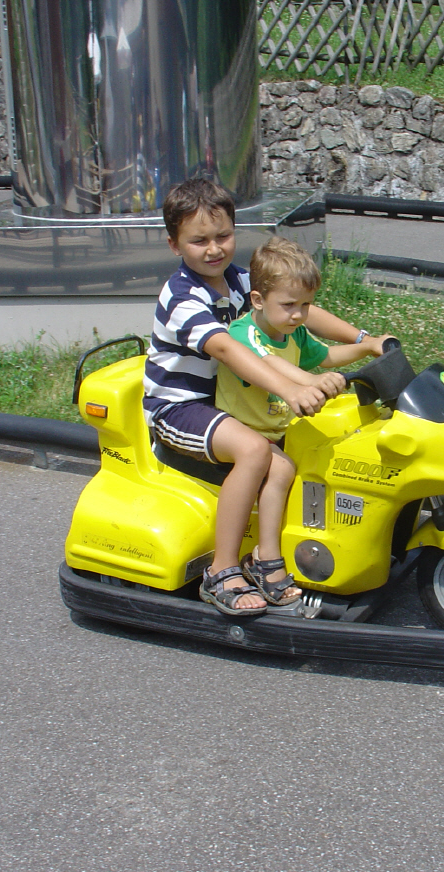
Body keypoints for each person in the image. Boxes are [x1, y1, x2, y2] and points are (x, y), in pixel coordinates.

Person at [143, 178, 388, 616]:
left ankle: (265, 559)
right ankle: (221, 570)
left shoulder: (239, 280)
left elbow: (299, 307)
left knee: (286, 464)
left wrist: (364, 340)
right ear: (174, 245)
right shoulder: (182, 297)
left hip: (225, 403)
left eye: (223, 236)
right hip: (180, 408)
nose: (214, 249)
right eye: (199, 240)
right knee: (255, 451)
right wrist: (292, 388)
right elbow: (227, 349)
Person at [215, 237, 392, 606]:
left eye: (305, 305)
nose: (298, 314)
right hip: (242, 430)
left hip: (278, 428)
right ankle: (266, 560)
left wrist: (368, 346)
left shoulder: (292, 330)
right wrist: (309, 382)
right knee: (281, 469)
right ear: (258, 300)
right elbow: (268, 363)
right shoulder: (243, 334)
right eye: (289, 305)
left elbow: (325, 356)